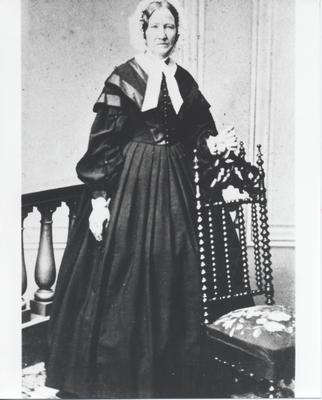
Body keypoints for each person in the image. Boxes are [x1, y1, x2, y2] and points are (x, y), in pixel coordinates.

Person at [45, 0, 252, 398]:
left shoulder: (184, 79)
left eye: (169, 26)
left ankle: (173, 375)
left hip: (177, 184)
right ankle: (123, 377)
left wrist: (214, 142)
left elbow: (197, 135)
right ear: (143, 30)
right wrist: (102, 199)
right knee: (127, 273)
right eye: (156, 26)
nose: (163, 34)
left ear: (178, 32)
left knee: (180, 266)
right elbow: (105, 142)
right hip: (133, 183)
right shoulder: (125, 76)